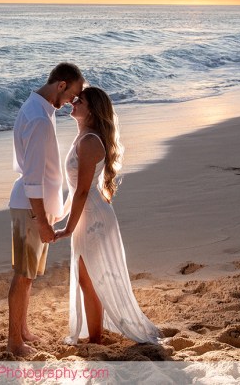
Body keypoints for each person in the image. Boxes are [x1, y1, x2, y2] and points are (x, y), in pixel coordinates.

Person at [54, 87, 161, 345]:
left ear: (91, 110)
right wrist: (58, 216)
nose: (73, 102)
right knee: (87, 278)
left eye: (80, 100)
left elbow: (81, 192)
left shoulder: (90, 142)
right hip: (87, 214)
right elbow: (75, 191)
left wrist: (68, 228)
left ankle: (95, 338)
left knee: (89, 278)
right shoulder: (83, 137)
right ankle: (95, 335)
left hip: (93, 218)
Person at [7, 62, 85, 356]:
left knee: (28, 274)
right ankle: (14, 342)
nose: (71, 103)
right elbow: (33, 179)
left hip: (34, 207)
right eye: (72, 94)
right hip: (30, 208)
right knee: (23, 274)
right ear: (61, 85)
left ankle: (23, 331)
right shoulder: (39, 118)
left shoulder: (38, 109)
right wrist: (41, 221)